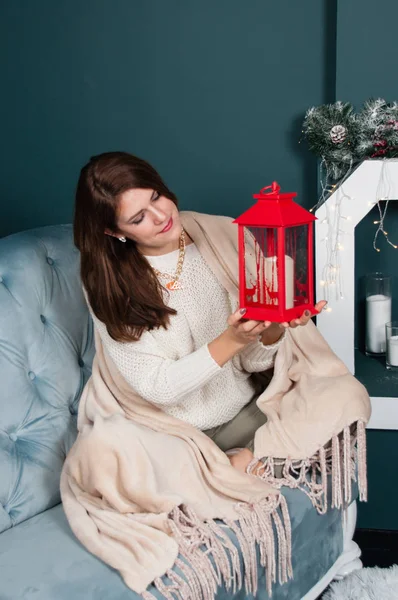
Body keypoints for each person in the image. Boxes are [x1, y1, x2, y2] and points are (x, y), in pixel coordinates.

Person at [74, 151, 326, 475]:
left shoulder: (222, 236)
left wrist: (275, 328)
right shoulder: (108, 283)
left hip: (241, 416)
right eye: (138, 218)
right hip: (167, 434)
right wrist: (232, 339)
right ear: (114, 232)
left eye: (157, 196)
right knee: (115, 468)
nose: (160, 215)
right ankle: (237, 464)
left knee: (338, 398)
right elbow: (158, 388)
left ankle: (240, 460)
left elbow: (253, 363)